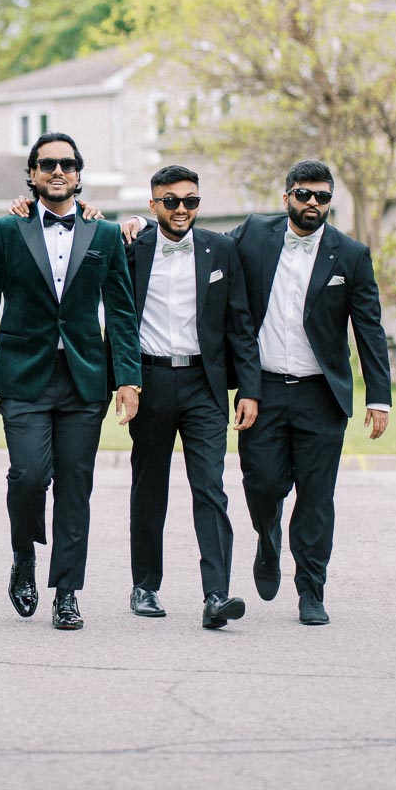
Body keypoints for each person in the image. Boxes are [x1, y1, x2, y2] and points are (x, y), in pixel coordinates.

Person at [0, 132, 141, 631]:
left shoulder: (102, 234)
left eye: (66, 164)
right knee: (27, 475)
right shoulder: (5, 231)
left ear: (79, 174)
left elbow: (122, 313)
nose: (57, 171)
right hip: (23, 376)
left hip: (86, 378)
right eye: (47, 165)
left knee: (75, 487)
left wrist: (128, 377)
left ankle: (67, 592)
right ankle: (24, 553)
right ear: (33, 174)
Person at [228, 161, 391, 624]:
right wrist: (138, 222)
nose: (313, 203)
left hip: (321, 395)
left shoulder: (352, 255)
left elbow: (370, 329)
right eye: (304, 195)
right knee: (261, 483)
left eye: (322, 196)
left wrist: (379, 396)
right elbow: (201, 244)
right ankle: (267, 535)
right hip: (261, 390)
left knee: (317, 497)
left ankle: (311, 589)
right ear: (287, 198)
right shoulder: (255, 234)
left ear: (330, 200)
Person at [125, 165, 261, 628]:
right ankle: (144, 586)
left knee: (211, 488)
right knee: (150, 488)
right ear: (153, 204)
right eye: (171, 201)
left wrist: (250, 389)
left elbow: (241, 326)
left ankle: (216, 595)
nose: (182, 209)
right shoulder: (131, 248)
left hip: (205, 385)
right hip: (151, 381)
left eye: (191, 201)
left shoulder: (220, 249)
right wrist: (122, 382)